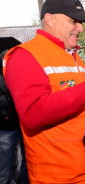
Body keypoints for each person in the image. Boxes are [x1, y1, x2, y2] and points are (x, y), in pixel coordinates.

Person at [3, 0, 85, 183]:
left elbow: (81, 104)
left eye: (81, 22)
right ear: (50, 19)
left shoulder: (72, 56)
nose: (80, 28)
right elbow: (32, 113)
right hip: (58, 176)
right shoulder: (24, 56)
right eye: (74, 21)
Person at [0, 37, 29, 184]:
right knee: (6, 170)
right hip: (11, 121)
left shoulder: (12, 44)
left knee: (8, 170)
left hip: (22, 121)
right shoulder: (13, 44)